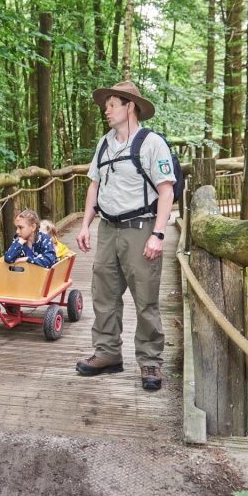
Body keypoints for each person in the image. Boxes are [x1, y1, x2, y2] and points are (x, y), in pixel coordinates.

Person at [75, 81, 175, 391]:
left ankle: (150, 362)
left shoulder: (151, 143)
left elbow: (166, 190)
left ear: (130, 106)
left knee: (145, 298)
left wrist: (158, 234)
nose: (106, 109)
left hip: (140, 228)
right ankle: (107, 354)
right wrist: (84, 224)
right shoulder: (104, 143)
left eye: (113, 104)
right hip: (107, 228)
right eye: (106, 104)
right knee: (104, 294)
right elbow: (95, 185)